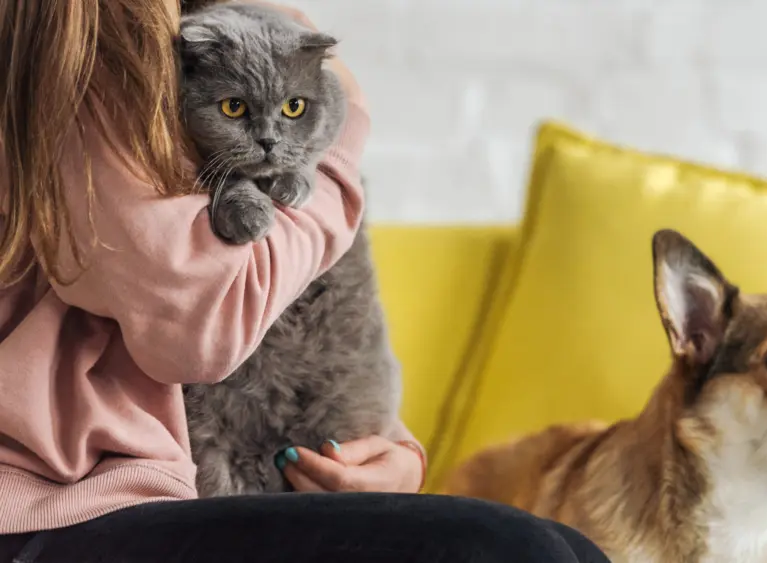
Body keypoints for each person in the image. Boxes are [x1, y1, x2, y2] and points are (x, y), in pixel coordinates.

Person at [0, 1, 611, 561]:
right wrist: (341, 141)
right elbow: (200, 328)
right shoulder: (87, 39)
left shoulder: (195, 22)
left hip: (137, 489)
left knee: (574, 551)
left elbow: (285, 301)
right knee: (516, 551)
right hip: (49, 505)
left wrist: (381, 450)